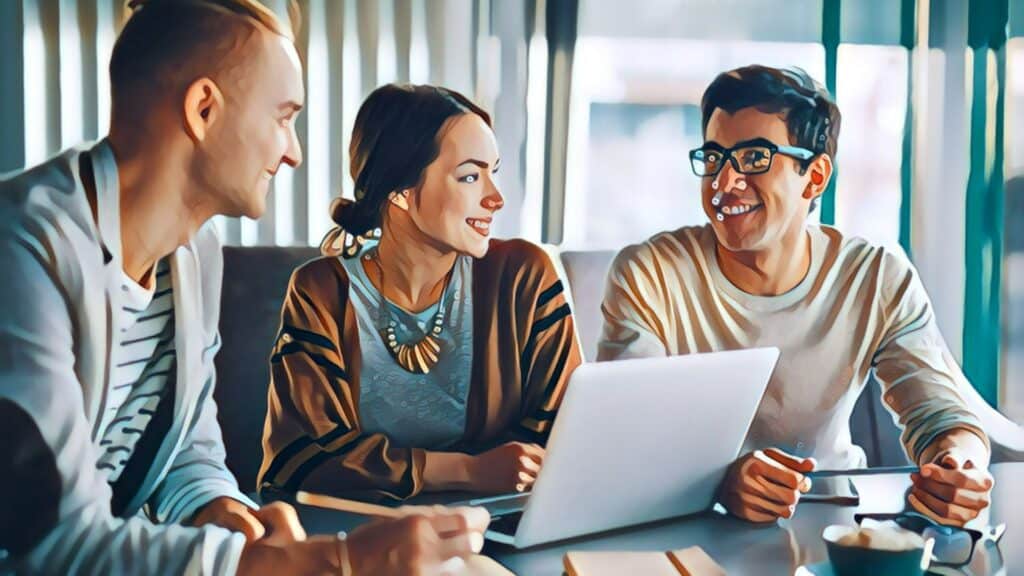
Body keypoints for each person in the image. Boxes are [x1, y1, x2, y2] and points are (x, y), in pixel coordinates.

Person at [0, 1, 487, 574]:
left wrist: (228, 514)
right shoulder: (22, 251)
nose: (294, 151)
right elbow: (53, 540)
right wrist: (333, 561)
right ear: (204, 109)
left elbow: (187, 452)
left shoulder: (194, 251)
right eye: (284, 117)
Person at [598, 65, 993, 527]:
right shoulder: (650, 274)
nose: (725, 184)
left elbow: (941, 415)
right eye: (714, 158)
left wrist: (957, 465)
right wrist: (719, 480)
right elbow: (624, 439)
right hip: (687, 520)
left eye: (754, 158)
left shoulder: (875, 277)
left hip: (835, 520)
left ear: (815, 177)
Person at [259, 83, 582, 501]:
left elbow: (565, 440)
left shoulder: (524, 278)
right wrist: (470, 470)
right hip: (366, 537)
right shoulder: (321, 292)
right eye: (470, 176)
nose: (495, 198)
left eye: (493, 172)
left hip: (498, 524)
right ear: (400, 191)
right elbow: (301, 458)